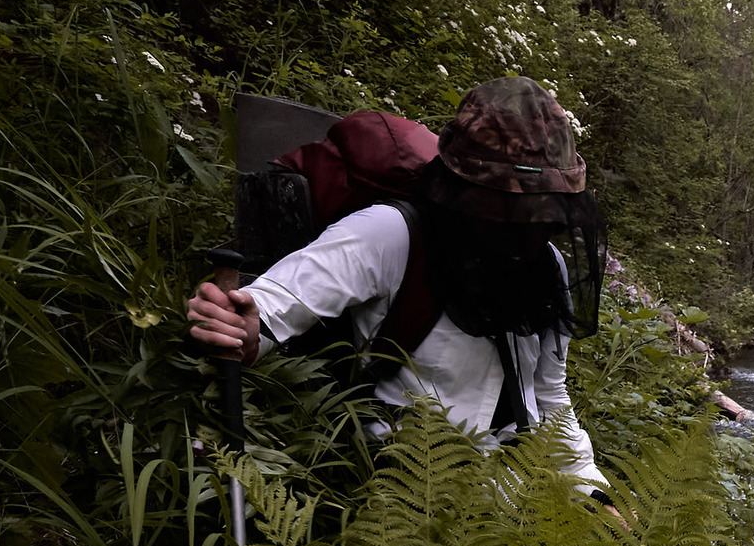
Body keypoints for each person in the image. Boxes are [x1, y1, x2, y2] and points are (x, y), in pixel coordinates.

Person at [185, 77, 609, 490]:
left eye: (544, 204)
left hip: (516, 491)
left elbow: (550, 397)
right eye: (516, 202)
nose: (532, 224)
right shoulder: (393, 232)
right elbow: (278, 301)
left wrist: (592, 490)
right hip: (402, 494)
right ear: (471, 188)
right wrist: (241, 323)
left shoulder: (546, 264)